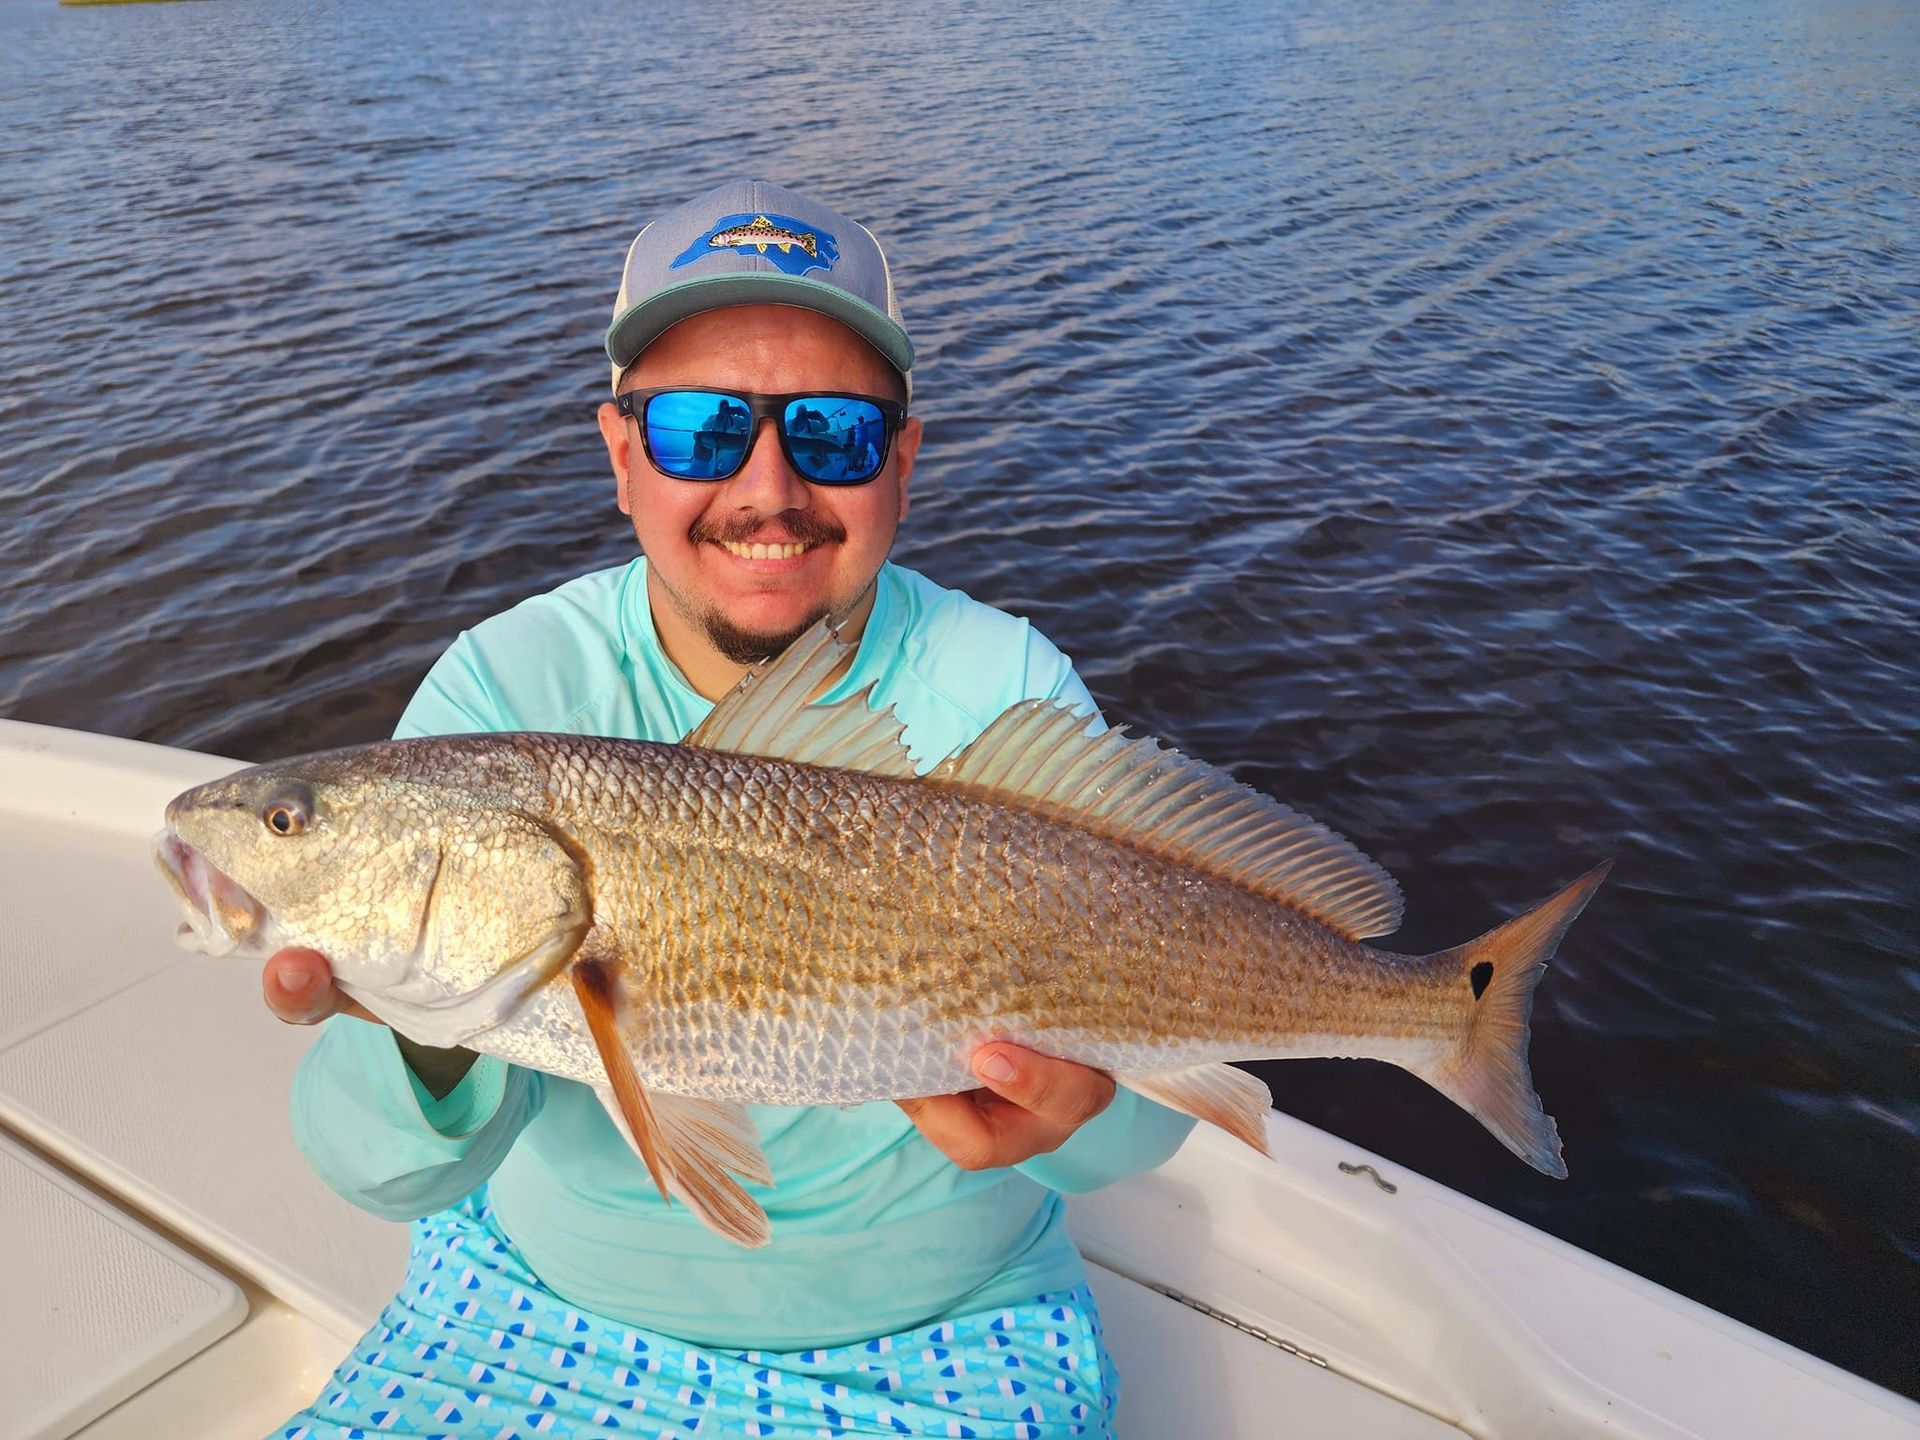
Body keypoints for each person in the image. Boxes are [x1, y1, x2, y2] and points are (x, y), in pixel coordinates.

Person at [265, 180, 1195, 1439]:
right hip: (540, 1294)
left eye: (833, 431)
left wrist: (1078, 1116)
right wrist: (422, 1031)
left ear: (903, 465)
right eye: (702, 429)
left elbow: (1136, 1131)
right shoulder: (501, 689)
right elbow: (377, 1168)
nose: (769, 486)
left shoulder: (1006, 691)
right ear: (621, 456)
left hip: (943, 1320)